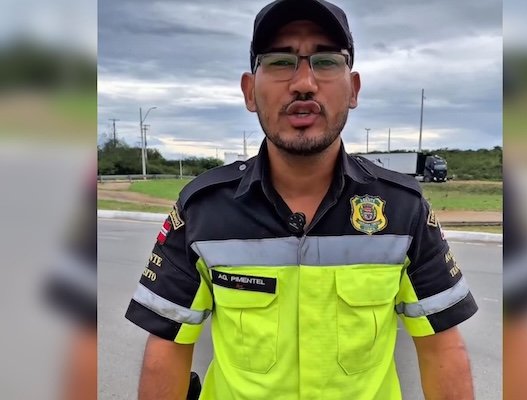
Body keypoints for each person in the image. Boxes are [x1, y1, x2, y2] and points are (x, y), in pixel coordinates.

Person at [125, 0, 478, 399]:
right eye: (280, 61)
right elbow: (167, 347)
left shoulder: (402, 209)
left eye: (326, 61)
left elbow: (442, 349)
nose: (304, 83)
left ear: (353, 89)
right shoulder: (203, 210)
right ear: (249, 91)